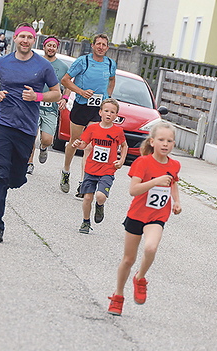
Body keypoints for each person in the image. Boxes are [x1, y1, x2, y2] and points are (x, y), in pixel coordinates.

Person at [0, 23, 60, 243]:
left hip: (26, 129)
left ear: (33, 40)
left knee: (15, 178)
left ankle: (16, 177)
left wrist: (37, 97)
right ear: (14, 39)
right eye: (21, 36)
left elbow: (57, 93)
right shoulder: (2, 62)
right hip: (3, 125)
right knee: (0, 175)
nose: (25, 40)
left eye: (29, 37)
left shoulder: (43, 66)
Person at [107, 121, 182, 316]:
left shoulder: (175, 165)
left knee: (151, 247)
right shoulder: (143, 162)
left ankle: (140, 278)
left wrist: (176, 201)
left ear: (174, 144)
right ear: (152, 141)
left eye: (170, 141)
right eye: (161, 140)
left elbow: (173, 182)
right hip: (137, 215)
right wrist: (155, 181)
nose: (165, 144)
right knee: (128, 259)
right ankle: (118, 295)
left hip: (157, 216)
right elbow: (133, 190)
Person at [60, 33, 116, 198]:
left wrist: (108, 97)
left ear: (107, 47)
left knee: (90, 146)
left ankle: (84, 183)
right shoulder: (82, 61)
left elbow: (112, 80)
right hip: (81, 107)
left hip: (97, 109)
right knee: (75, 142)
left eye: (103, 45)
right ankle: (66, 170)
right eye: (98, 44)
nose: (100, 47)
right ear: (92, 45)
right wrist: (81, 92)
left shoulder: (110, 64)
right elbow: (65, 80)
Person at [71, 98, 127, 233]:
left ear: (116, 116)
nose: (109, 114)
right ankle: (85, 222)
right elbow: (84, 144)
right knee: (87, 197)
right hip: (91, 168)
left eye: (112, 112)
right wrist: (78, 144)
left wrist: (121, 161)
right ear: (100, 112)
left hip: (107, 170)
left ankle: (100, 205)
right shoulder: (92, 128)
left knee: (100, 196)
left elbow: (124, 146)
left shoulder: (117, 132)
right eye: (106, 111)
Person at [26, 36, 69, 174]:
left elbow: (67, 84)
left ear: (57, 48)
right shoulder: (35, 61)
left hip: (51, 108)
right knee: (32, 134)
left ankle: (43, 148)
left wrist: (65, 98)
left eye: (54, 46)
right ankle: (29, 162)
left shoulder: (62, 67)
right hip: (34, 104)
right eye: (48, 45)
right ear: (44, 46)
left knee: (47, 139)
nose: (51, 48)